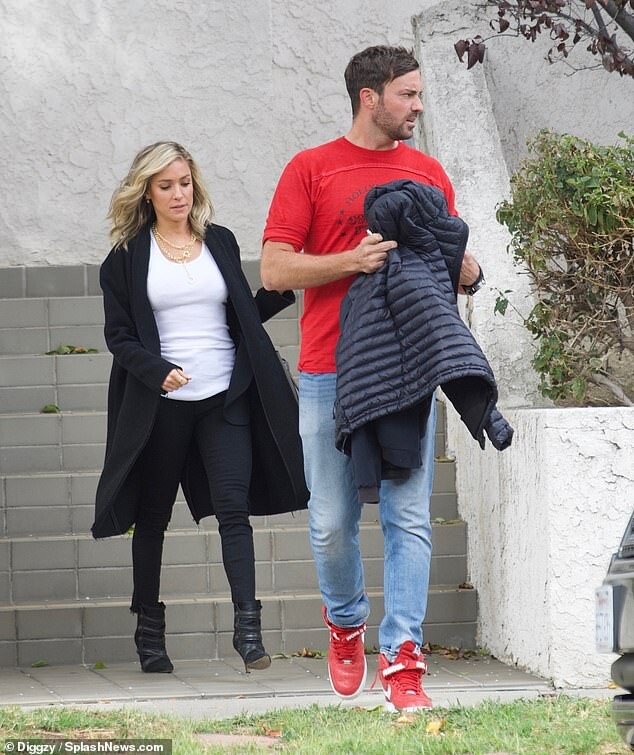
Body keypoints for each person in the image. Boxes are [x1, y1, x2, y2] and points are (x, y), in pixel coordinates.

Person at [261, 45, 485, 712]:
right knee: (331, 522)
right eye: (407, 95)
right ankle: (345, 620)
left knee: (408, 516)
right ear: (369, 97)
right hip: (328, 370)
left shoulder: (427, 172)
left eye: (418, 94)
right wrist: (350, 261)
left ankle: (403, 659)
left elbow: (445, 261)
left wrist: (466, 267)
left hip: (407, 371)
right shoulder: (310, 168)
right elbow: (274, 269)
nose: (418, 107)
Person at [92, 141, 308, 675]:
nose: (178, 194)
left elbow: (237, 318)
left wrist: (276, 292)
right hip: (162, 404)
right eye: (165, 185)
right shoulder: (125, 257)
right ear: (146, 192)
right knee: (152, 517)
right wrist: (155, 370)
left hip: (224, 397)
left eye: (185, 183)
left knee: (234, 510)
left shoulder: (220, 241)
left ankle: (249, 632)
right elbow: (119, 337)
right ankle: (149, 632)